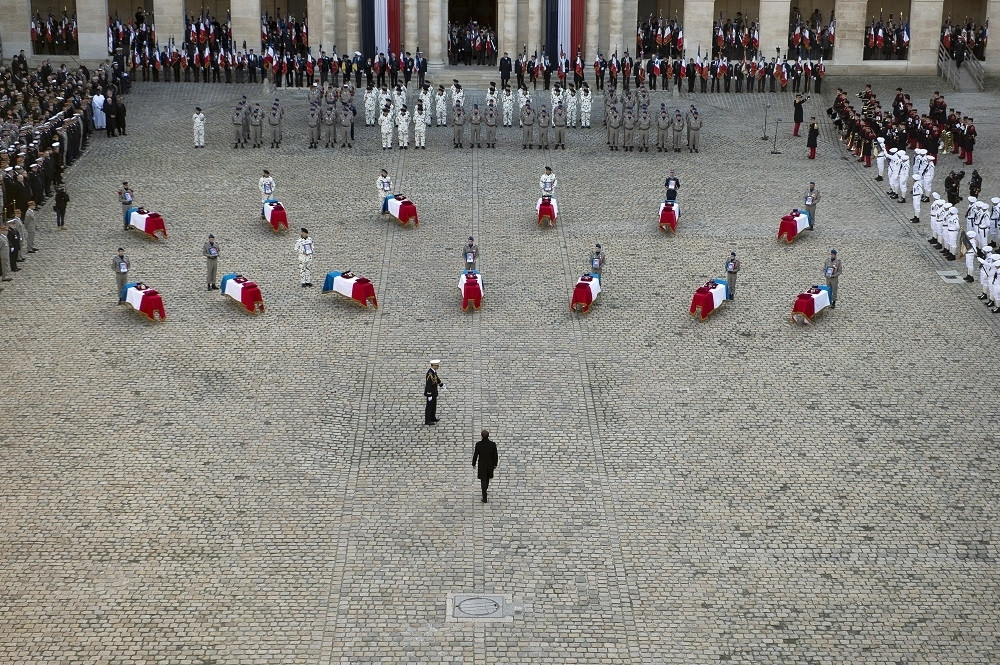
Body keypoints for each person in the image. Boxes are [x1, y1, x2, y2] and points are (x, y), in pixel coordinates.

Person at [472, 429, 499, 503]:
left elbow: (475, 455)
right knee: (487, 478)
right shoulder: (493, 444)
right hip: (490, 464)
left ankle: (484, 495)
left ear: (481, 436)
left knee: (483, 479)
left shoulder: (478, 444)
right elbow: (495, 455)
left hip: (482, 465)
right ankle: (485, 490)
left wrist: (473, 464)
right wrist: (495, 464)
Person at [424, 359, 444, 425]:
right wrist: (429, 394)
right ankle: (428, 420)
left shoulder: (434, 371)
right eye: (436, 365)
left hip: (434, 392)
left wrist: (440, 383)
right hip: (430, 392)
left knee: (433, 405)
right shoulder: (429, 374)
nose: (438, 367)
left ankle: (433, 417)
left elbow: (436, 378)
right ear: (432, 365)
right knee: (429, 407)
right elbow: (428, 385)